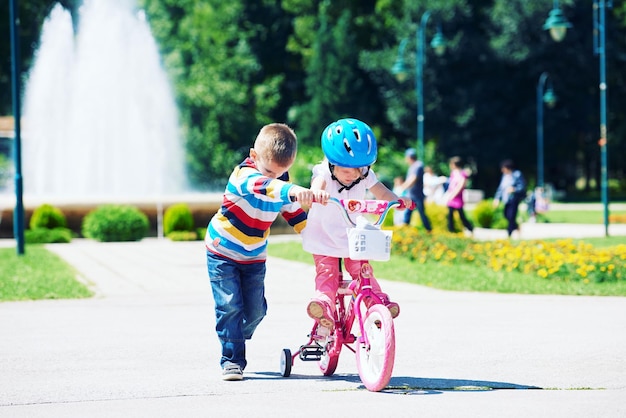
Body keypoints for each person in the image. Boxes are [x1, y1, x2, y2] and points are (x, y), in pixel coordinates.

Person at [205, 123, 316, 381]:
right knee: (230, 306)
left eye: (282, 173)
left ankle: (232, 332)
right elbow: (266, 187)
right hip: (222, 251)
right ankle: (232, 360)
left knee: (256, 311)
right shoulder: (244, 177)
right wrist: (293, 190)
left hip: (254, 256)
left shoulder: (280, 181)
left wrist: (312, 238)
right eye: (269, 171)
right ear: (254, 156)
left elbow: (291, 210)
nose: (275, 177)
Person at [301, 118, 412, 331]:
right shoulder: (323, 171)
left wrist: (395, 201)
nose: (352, 173)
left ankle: (376, 302)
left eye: (358, 168)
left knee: (363, 270)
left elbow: (380, 191)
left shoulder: (365, 174)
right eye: (345, 168)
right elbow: (319, 183)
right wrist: (316, 193)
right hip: (323, 236)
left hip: (352, 236)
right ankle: (323, 304)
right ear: (332, 162)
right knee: (327, 273)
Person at [398, 148, 432, 231]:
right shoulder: (412, 166)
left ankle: (429, 230)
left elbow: (413, 179)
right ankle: (405, 230)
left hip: (417, 196)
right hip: (411, 195)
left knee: (422, 214)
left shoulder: (418, 165)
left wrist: (403, 187)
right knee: (407, 213)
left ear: (409, 157)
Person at [493, 159, 526, 237]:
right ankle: (516, 227)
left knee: (511, 216)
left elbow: (522, 186)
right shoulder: (504, 176)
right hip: (506, 199)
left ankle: (509, 234)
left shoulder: (517, 174)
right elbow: (500, 189)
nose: (502, 170)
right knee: (506, 215)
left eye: (503, 168)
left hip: (513, 199)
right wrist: (497, 198)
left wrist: (514, 189)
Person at [442, 156, 474, 234]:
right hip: (451, 197)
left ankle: (470, 228)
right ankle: (451, 230)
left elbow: (461, 186)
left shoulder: (463, 174)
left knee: (461, 216)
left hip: (457, 198)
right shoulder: (453, 173)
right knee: (450, 215)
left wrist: (453, 195)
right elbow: (451, 185)